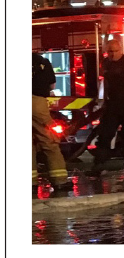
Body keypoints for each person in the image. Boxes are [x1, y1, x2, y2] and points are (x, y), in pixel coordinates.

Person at [90, 37, 124, 177]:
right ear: (106, 52)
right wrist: (101, 100)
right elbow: (105, 83)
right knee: (104, 134)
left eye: (116, 51)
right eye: (110, 51)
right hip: (112, 106)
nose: (113, 54)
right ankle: (99, 165)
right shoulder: (106, 64)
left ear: (121, 50)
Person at [32, 52, 73, 193]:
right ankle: (59, 181)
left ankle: (30, 184)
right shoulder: (42, 62)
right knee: (49, 141)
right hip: (37, 103)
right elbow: (52, 85)